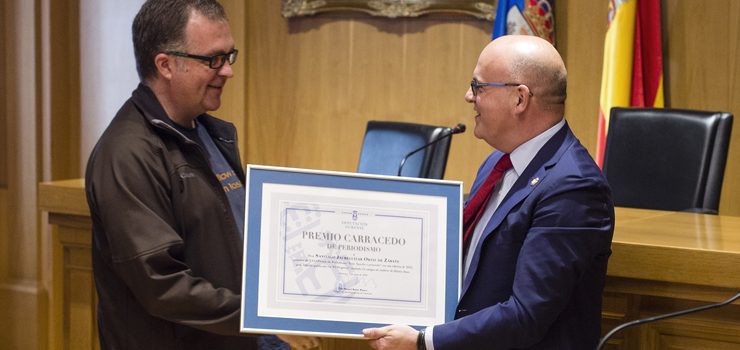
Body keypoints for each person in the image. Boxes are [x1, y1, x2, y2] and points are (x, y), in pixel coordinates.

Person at [85, 1, 319, 349]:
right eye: (213, 60)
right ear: (165, 64)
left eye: (229, 56)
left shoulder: (206, 132)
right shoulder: (126, 154)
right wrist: (259, 318)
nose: (227, 71)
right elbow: (161, 285)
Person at [363, 35, 614, 349]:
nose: (468, 96)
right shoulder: (498, 162)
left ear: (519, 99)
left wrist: (424, 341)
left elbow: (526, 315)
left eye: (478, 86)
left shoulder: (573, 187)